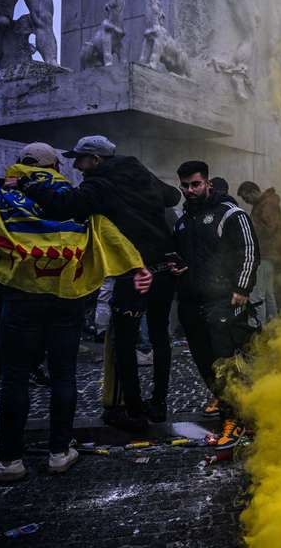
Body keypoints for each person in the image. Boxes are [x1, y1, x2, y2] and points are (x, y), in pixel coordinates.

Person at [16, 135, 179, 432]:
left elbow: (66, 205)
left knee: (125, 342)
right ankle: (159, 404)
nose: (76, 165)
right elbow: (172, 197)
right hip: (163, 270)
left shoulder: (99, 184)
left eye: (80, 159)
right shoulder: (137, 170)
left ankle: (133, 409)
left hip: (135, 272)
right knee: (159, 337)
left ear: (97, 160)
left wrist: (27, 185)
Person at [0, 144, 87, 481]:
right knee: (63, 375)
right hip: (67, 299)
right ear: (56, 165)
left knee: (15, 377)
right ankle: (59, 452)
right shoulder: (76, 199)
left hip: (20, 297)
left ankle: (9, 459)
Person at [174, 161, 260, 450]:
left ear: (207, 183)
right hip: (191, 303)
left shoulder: (230, 214)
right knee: (205, 364)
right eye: (185, 185)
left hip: (223, 301)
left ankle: (236, 418)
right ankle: (233, 411)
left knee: (227, 364)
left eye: (195, 184)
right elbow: (182, 256)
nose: (190, 190)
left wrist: (241, 289)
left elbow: (249, 250)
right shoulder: (183, 221)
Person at [238, 181, 281, 324]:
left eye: (246, 198)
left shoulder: (267, 204)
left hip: (263, 255)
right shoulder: (266, 203)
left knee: (257, 295)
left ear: (253, 192)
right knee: (268, 294)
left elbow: (270, 228)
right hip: (268, 255)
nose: (247, 201)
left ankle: (258, 330)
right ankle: (272, 327)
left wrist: (250, 227)